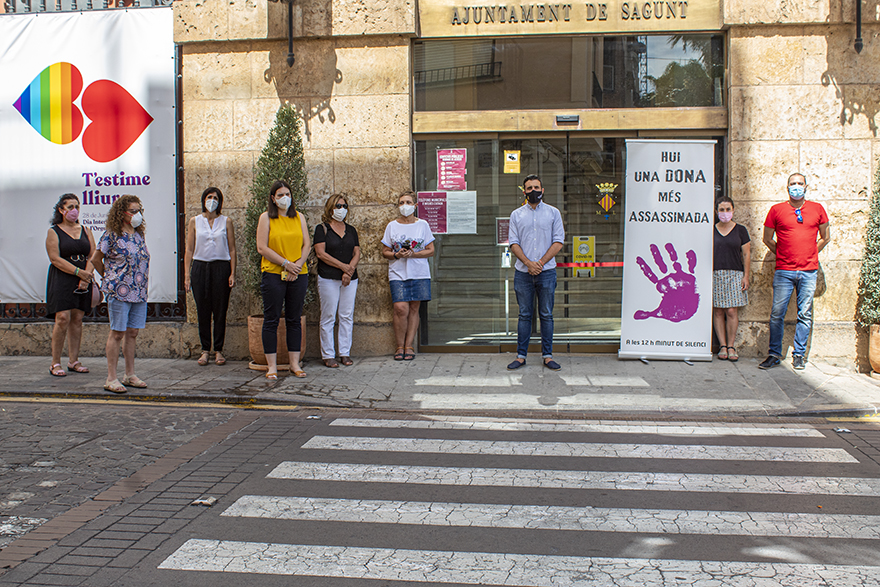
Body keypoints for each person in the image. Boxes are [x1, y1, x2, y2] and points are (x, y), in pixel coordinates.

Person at [759, 173, 831, 370]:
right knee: (777, 314)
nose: (796, 186)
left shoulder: (817, 209)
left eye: (800, 183)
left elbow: (826, 237)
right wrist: (782, 253)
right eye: (793, 184)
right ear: (787, 187)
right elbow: (767, 238)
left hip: (808, 271)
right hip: (784, 270)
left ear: (806, 186)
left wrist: (810, 252)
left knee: (804, 314)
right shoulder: (776, 210)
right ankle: (774, 354)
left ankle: (799, 354)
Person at [91, 195, 150, 393]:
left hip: (138, 291)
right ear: (122, 213)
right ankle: (111, 378)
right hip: (120, 290)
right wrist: (110, 278)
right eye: (132, 211)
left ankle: (130, 374)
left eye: (138, 210)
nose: (136, 215)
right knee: (117, 333)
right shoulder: (112, 234)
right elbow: (96, 259)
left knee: (132, 333)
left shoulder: (138, 234)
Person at [506, 174, 565, 371]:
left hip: (547, 272)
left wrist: (539, 263)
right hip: (523, 272)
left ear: (543, 189)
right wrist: (528, 264)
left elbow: (558, 242)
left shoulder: (553, 213)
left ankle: (547, 356)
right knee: (524, 314)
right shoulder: (516, 215)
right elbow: (513, 243)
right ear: (524, 191)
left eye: (536, 187)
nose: (533, 191)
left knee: (546, 314)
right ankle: (521, 356)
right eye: (529, 188)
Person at [256, 180, 310, 379]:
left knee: (294, 319)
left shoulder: (299, 217)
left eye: (287, 194)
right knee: (271, 319)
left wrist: (297, 265)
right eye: (280, 195)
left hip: (299, 273)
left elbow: (307, 244)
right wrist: (286, 263)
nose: (284, 198)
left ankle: (294, 364)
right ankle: (272, 366)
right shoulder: (266, 218)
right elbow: (262, 247)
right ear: (273, 198)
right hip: (273, 273)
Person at [184, 187, 237, 366]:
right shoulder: (195, 221)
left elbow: (232, 249)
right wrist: (186, 275)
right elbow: (189, 249)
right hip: (200, 267)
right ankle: (205, 349)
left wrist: (232, 272)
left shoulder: (226, 221)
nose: (212, 200)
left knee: (220, 310)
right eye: (209, 197)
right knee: (203, 311)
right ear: (203, 199)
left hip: (221, 267)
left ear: (220, 201)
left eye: (215, 198)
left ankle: (219, 350)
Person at [45, 194, 96, 377]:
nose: (74, 210)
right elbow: (55, 258)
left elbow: (93, 255)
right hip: (63, 277)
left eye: (77, 206)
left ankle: (74, 361)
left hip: (83, 278)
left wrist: (86, 276)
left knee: (77, 318)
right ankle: (55, 362)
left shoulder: (85, 230)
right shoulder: (54, 231)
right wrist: (77, 272)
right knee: (63, 318)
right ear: (61, 210)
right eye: (70, 207)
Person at [381, 190, 434, 361]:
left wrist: (413, 254)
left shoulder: (423, 225)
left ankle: (409, 345)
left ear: (415, 205)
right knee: (400, 308)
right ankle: (399, 345)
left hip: (419, 271)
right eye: (402, 202)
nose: (405, 206)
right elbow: (385, 251)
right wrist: (397, 255)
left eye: (409, 202)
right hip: (397, 272)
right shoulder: (391, 226)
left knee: (414, 308)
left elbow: (431, 250)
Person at [314, 194, 360, 368]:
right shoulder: (322, 229)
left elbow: (357, 252)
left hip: (350, 278)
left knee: (346, 315)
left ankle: (344, 353)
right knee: (328, 315)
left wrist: (349, 271)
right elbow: (321, 253)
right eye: (338, 206)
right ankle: (328, 354)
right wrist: (343, 267)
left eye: (344, 206)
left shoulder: (351, 230)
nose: (341, 209)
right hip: (328, 277)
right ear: (330, 208)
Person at [712, 196, 751, 362]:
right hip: (715, 273)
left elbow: (747, 254)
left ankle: (731, 345)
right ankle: (722, 345)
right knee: (718, 310)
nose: (725, 213)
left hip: (735, 274)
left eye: (728, 209)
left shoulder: (740, 230)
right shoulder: (711, 229)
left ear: (733, 210)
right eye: (722, 210)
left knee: (731, 310)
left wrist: (746, 276)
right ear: (716, 211)